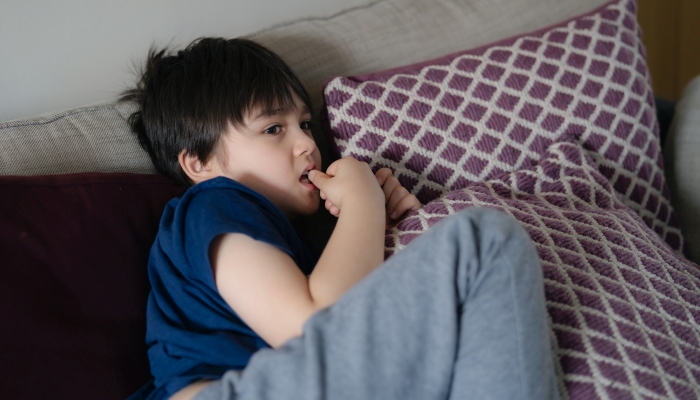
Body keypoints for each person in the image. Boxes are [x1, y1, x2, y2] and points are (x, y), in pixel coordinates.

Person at [123, 37, 560, 400]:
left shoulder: (296, 237)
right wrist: (363, 203)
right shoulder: (212, 205)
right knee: (483, 240)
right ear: (199, 163)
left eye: (306, 124)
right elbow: (312, 327)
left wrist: (392, 232)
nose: (307, 146)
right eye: (274, 129)